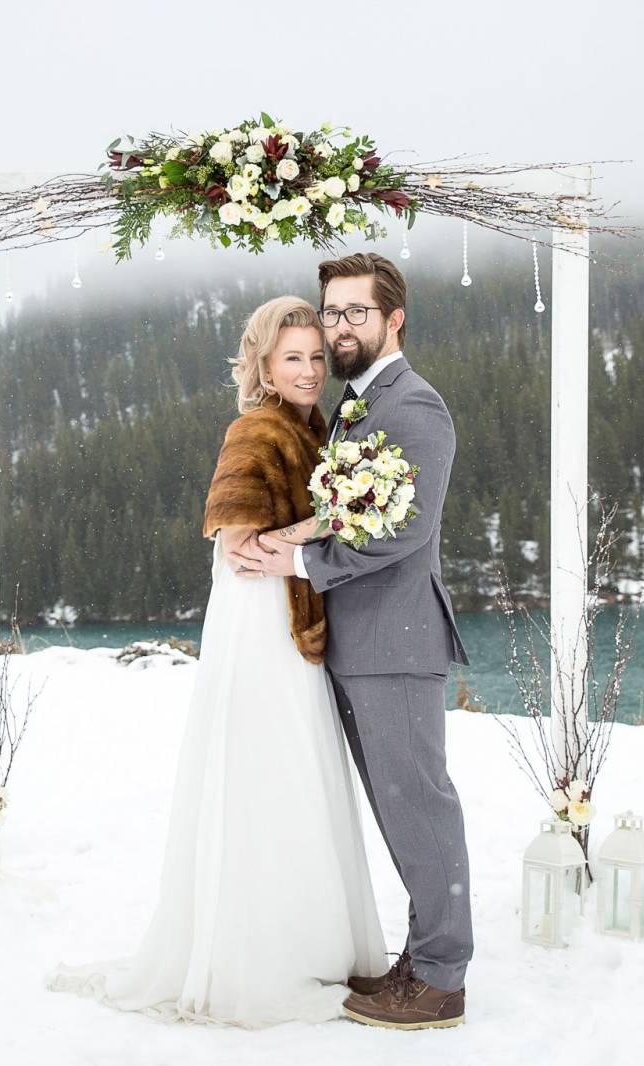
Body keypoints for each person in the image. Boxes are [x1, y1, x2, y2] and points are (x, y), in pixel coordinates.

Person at [46, 295, 386, 1027]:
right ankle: (257, 960)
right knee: (265, 769)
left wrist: (314, 531)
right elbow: (237, 545)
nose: (307, 369)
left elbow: (284, 541)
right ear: (263, 365)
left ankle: (308, 945)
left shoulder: (315, 425)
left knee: (298, 770)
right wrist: (327, 519)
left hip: (291, 609)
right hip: (259, 620)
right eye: (292, 357)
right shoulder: (254, 429)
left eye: (316, 357)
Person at [228, 252, 473, 1030]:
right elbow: (344, 508)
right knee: (395, 811)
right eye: (331, 313)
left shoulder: (414, 406)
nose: (338, 328)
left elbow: (403, 527)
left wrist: (296, 558)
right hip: (358, 644)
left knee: (420, 808)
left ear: (393, 319)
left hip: (396, 643)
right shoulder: (358, 404)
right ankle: (420, 958)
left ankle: (440, 977)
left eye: (354, 313)